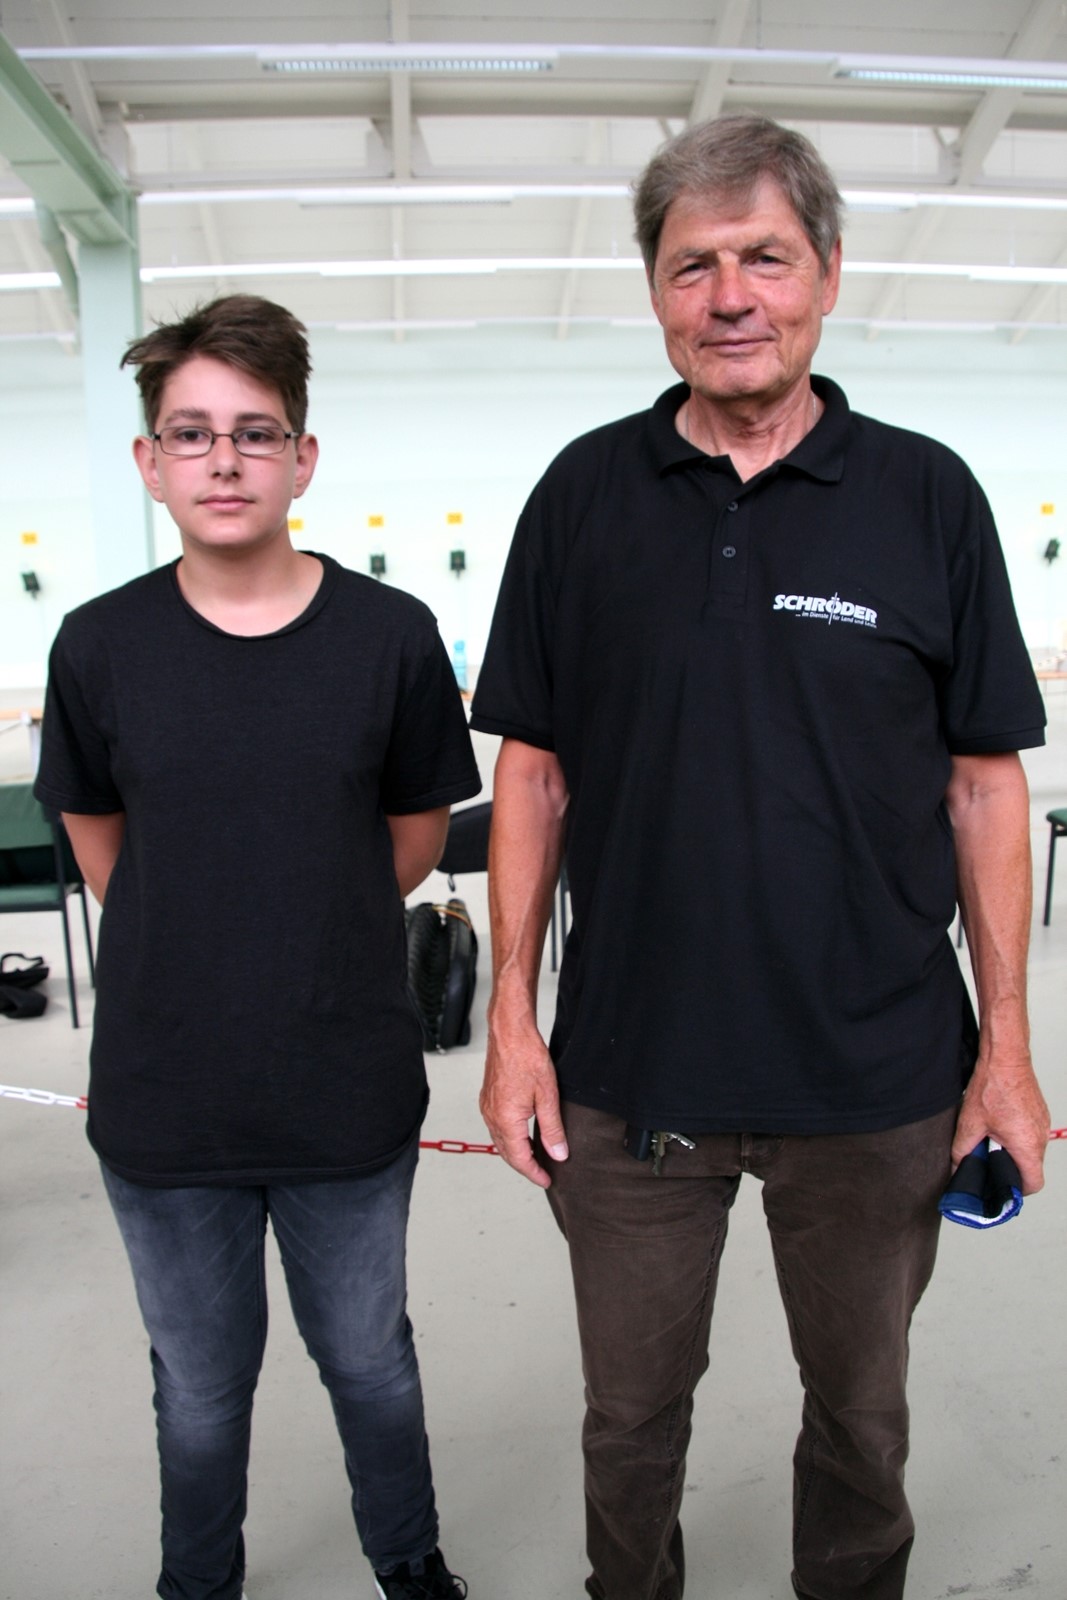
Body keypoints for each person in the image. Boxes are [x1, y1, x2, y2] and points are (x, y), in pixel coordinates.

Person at [469, 115, 1050, 1600]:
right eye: (693, 265)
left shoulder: (927, 498)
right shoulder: (583, 496)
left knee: (862, 1421)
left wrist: (1006, 1049)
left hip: (876, 1078)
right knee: (628, 1423)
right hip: (630, 1077)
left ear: (829, 275)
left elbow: (985, 786)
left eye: (767, 258)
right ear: (656, 292)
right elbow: (532, 771)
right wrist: (514, 1022)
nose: (731, 296)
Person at [34, 294, 479, 1600]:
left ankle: (408, 1561)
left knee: (369, 1360)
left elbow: (413, 835)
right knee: (201, 1383)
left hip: (345, 1088)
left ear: (302, 457)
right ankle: (198, 1584)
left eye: (255, 432)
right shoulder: (99, 645)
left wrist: (306, 909)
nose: (223, 460)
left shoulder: (389, 637)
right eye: (192, 432)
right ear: (149, 461)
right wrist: (206, 923)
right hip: (165, 1102)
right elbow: (102, 845)